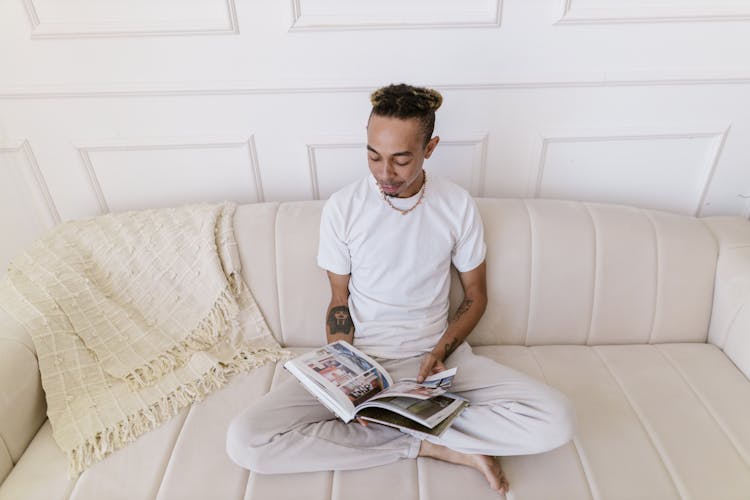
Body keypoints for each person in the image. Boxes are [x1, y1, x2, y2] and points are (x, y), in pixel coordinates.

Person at [226, 83, 575, 495]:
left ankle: (415, 425)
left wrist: (438, 354)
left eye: (400, 159)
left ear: (430, 148)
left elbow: (476, 295)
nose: (384, 173)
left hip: (438, 362)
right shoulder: (344, 207)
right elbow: (339, 302)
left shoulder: (457, 205)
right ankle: (427, 441)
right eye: (373, 155)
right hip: (364, 363)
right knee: (245, 440)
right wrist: (348, 383)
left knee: (558, 420)